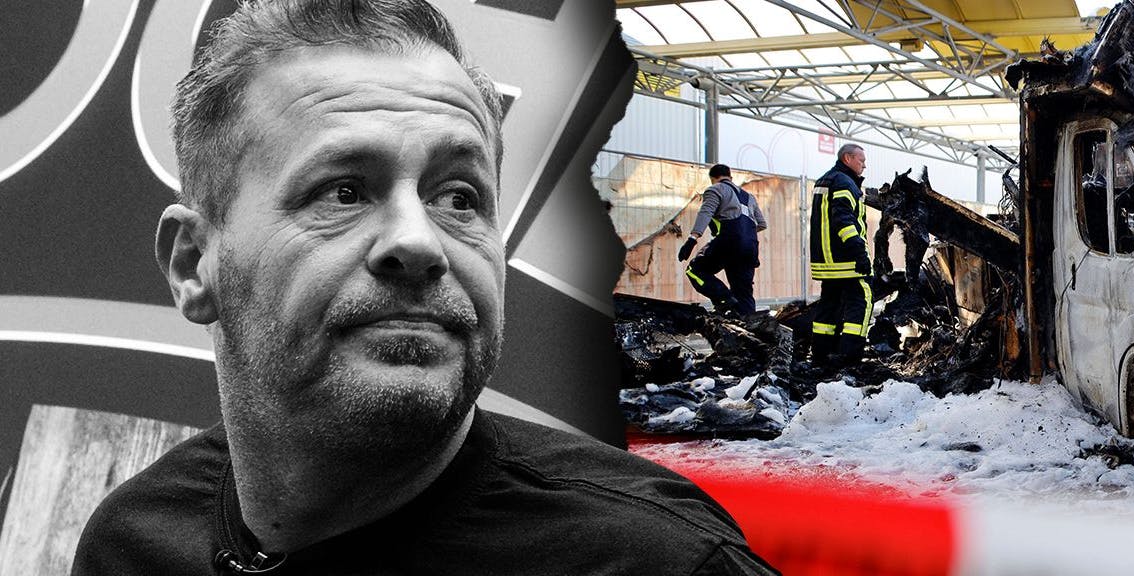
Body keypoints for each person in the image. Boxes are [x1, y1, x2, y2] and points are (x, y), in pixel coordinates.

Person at [70, 1, 775, 574]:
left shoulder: (657, 564)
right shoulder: (133, 543)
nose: (418, 240)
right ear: (195, 265)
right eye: (344, 190)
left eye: (459, 198)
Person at [807, 144, 875, 366]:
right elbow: (843, 220)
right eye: (861, 160)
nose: (864, 165)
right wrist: (859, 252)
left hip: (826, 262)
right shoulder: (845, 183)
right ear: (847, 158)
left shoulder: (825, 181)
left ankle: (820, 355)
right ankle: (850, 356)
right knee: (862, 300)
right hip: (846, 260)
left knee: (829, 305)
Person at [678, 164, 766, 318]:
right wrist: (745, 234)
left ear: (713, 179)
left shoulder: (715, 189)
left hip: (728, 241)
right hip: (751, 247)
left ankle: (724, 299)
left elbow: (706, 212)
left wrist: (692, 239)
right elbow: (762, 224)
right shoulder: (749, 197)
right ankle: (751, 332)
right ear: (730, 177)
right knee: (743, 292)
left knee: (695, 270)